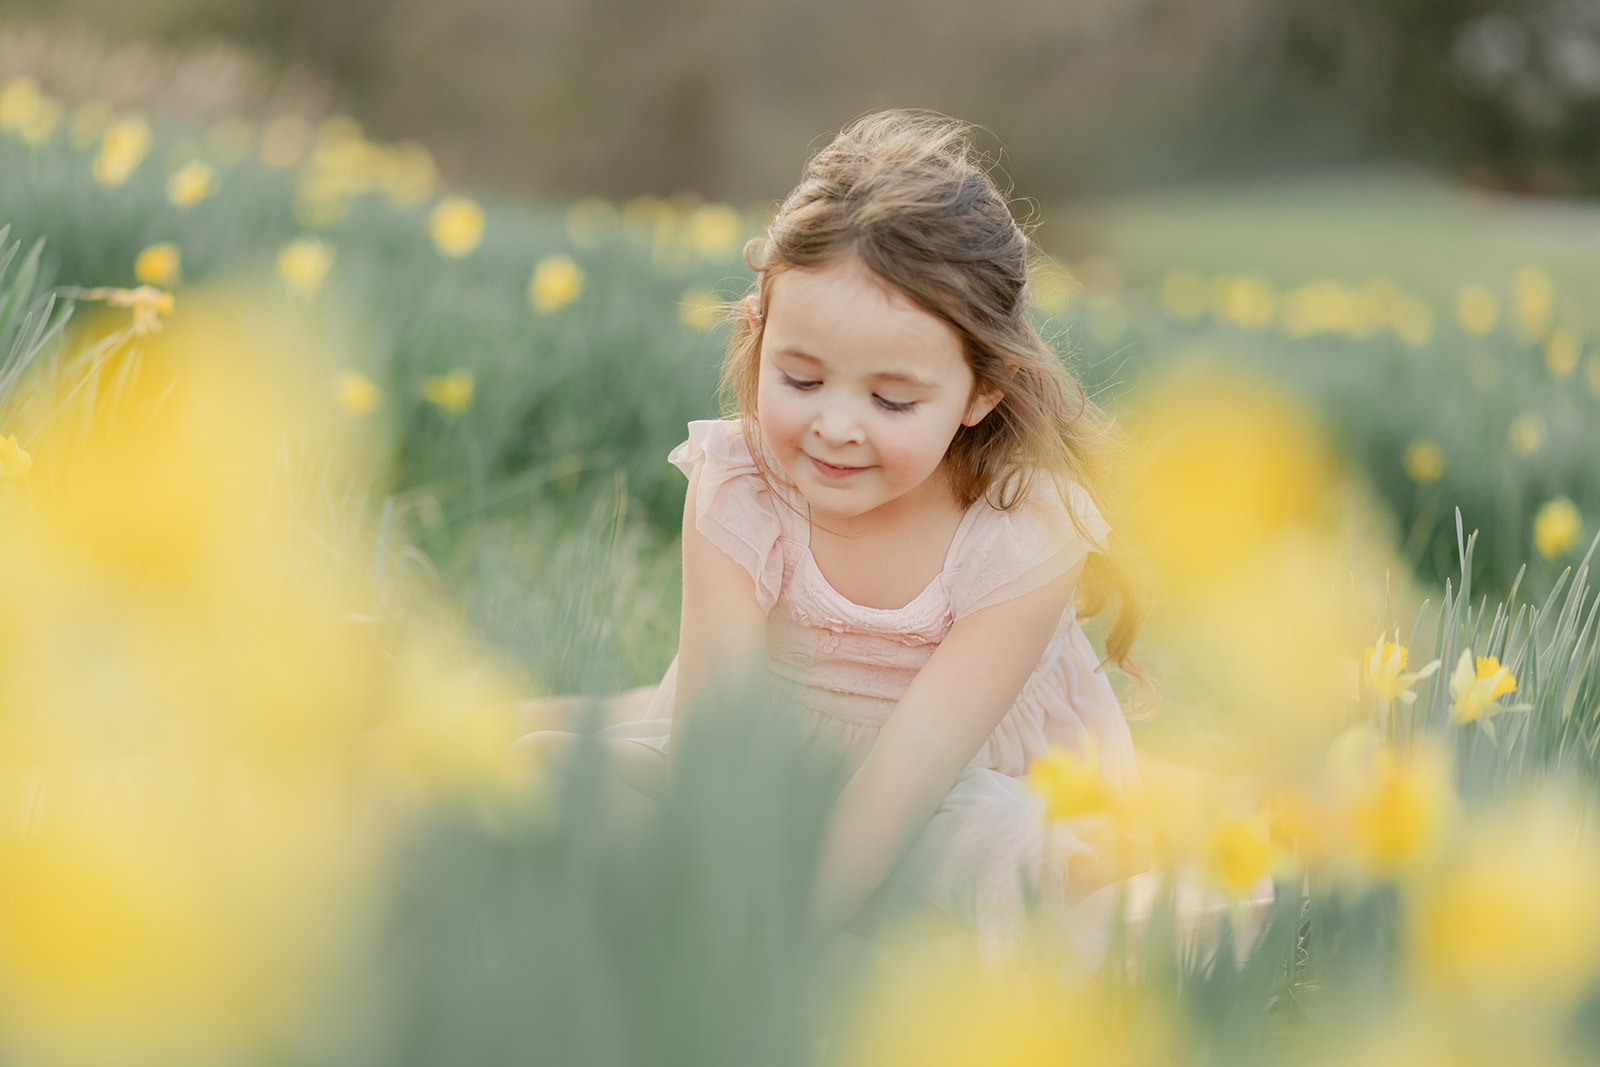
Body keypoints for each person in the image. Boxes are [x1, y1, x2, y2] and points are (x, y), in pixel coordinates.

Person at [518, 109, 1150, 972]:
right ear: (757, 335)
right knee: (536, 776)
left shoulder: (1018, 534)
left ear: (981, 392)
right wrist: (714, 881)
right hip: (761, 768)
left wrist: (770, 927)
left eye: (892, 401)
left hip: (947, 792)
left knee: (1045, 896)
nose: (836, 427)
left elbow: (910, 777)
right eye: (802, 378)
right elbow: (717, 737)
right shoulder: (739, 482)